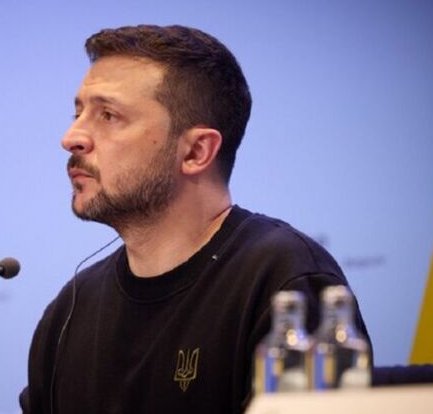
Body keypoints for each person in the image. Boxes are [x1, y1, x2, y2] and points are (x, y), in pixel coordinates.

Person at [20, 25, 370, 414]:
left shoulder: (283, 282)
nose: (71, 137)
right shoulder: (71, 310)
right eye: (78, 113)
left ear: (196, 152)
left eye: (108, 115)